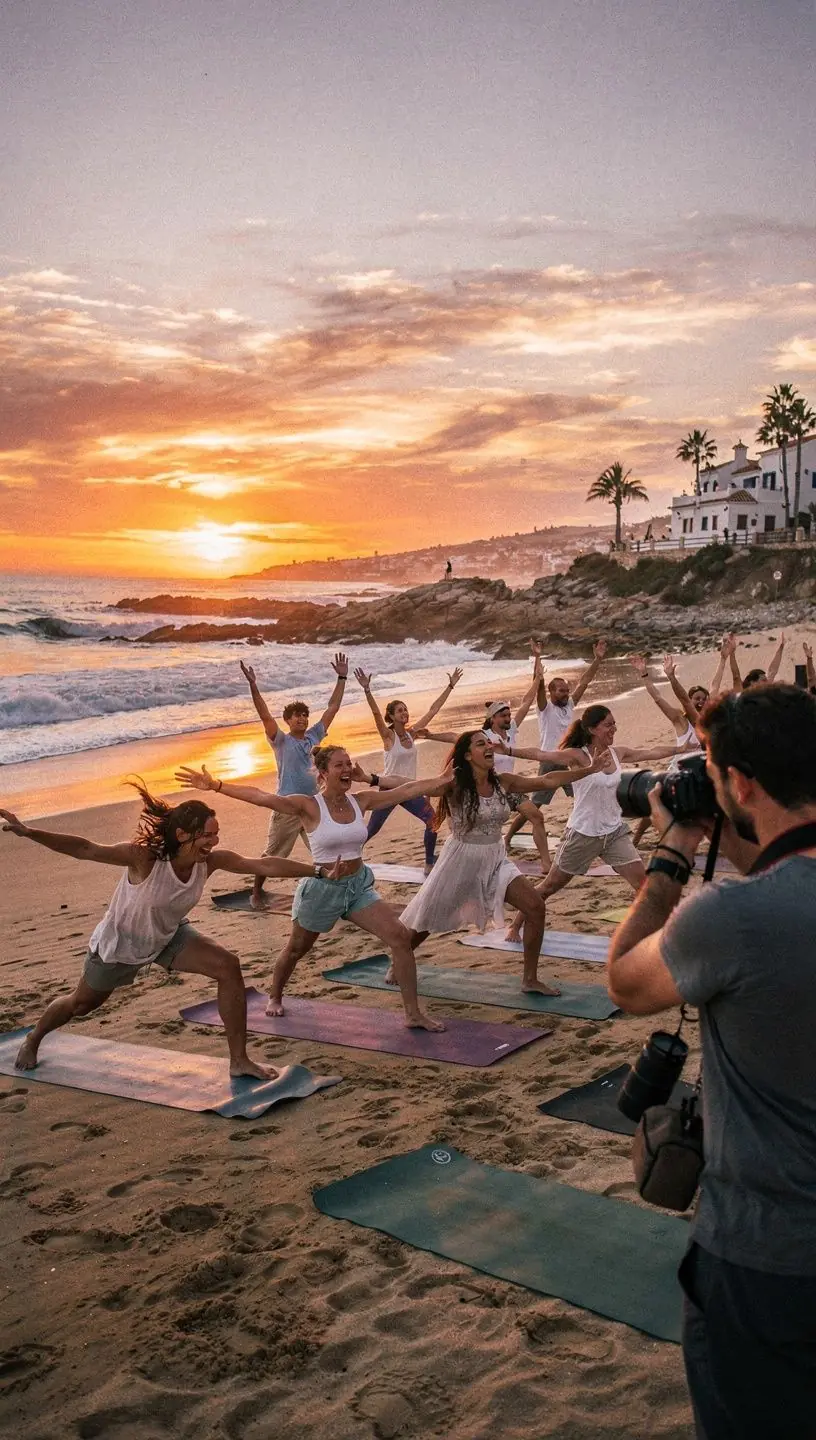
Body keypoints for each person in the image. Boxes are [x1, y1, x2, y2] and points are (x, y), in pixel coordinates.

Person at [606, 684, 816, 1440]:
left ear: (744, 783)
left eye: (710, 767)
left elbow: (627, 980)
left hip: (768, 1260)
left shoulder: (729, 920)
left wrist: (677, 847)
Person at [1, 783, 327, 1079]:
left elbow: (264, 864)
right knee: (82, 1005)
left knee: (228, 966)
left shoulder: (209, 861)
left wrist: (317, 871)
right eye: (208, 836)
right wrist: (29, 832)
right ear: (184, 835)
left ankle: (239, 1060)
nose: (214, 842)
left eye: (217, 835)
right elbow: (86, 848)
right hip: (120, 946)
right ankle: (34, 1037)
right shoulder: (144, 859)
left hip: (168, 937)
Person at [175, 748, 448, 1032]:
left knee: (400, 938)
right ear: (323, 773)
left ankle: (413, 1014)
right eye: (338, 765)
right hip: (321, 889)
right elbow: (262, 797)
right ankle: (275, 995)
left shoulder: (361, 801)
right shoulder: (308, 805)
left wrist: (443, 778)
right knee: (295, 950)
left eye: (348, 764)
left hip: (357, 888)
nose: (346, 769)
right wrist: (217, 786)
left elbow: (407, 790)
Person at [398, 729, 607, 996]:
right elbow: (411, 787)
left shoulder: (503, 783)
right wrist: (372, 779)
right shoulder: (454, 784)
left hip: (495, 858)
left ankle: (529, 979)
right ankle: (399, 960)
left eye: (488, 743)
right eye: (480, 744)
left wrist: (589, 770)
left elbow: (547, 780)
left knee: (534, 906)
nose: (488, 747)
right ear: (466, 755)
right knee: (428, 917)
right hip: (461, 860)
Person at [504, 704, 681, 941]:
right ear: (592, 729)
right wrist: (507, 749)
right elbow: (542, 754)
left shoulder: (617, 753)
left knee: (644, 885)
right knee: (549, 886)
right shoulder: (578, 756)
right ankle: (515, 925)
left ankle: (659, 932)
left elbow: (651, 751)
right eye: (608, 725)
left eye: (614, 724)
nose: (614, 728)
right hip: (583, 834)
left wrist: (685, 747)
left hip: (614, 832)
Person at [418, 657, 551, 869]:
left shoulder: (512, 730)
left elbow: (527, 700)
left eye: (509, 715)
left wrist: (538, 675)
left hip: (508, 786)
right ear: (492, 719)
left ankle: (546, 862)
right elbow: (456, 737)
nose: (509, 718)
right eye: (504, 716)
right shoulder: (484, 735)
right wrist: (431, 735)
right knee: (470, 829)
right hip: (486, 788)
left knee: (536, 816)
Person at [241, 654, 349, 908]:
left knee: (325, 852)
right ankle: (256, 892)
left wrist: (342, 678)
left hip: (313, 805)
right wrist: (253, 685)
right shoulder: (281, 740)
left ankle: (337, 892)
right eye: (296, 716)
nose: (301, 719)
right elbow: (264, 715)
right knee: (273, 855)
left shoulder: (314, 736)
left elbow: (332, 708)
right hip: (287, 806)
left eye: (304, 715)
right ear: (287, 720)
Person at [353, 665, 463, 873]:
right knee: (371, 830)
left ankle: (429, 863)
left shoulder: (413, 734)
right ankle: (350, 858)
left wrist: (450, 686)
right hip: (390, 789)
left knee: (433, 821)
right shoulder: (388, 737)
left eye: (405, 709)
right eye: (400, 711)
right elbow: (376, 713)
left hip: (411, 788)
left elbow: (433, 710)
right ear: (392, 717)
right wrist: (367, 690)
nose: (405, 713)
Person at [504, 638, 609, 856]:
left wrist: (597, 659)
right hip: (550, 761)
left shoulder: (569, 705)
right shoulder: (545, 708)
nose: (565, 693)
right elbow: (538, 685)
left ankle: (595, 835)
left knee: (587, 795)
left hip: (571, 760)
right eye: (560, 690)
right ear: (552, 692)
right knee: (537, 805)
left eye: (566, 690)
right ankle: (508, 837)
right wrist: (537, 657)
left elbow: (585, 682)